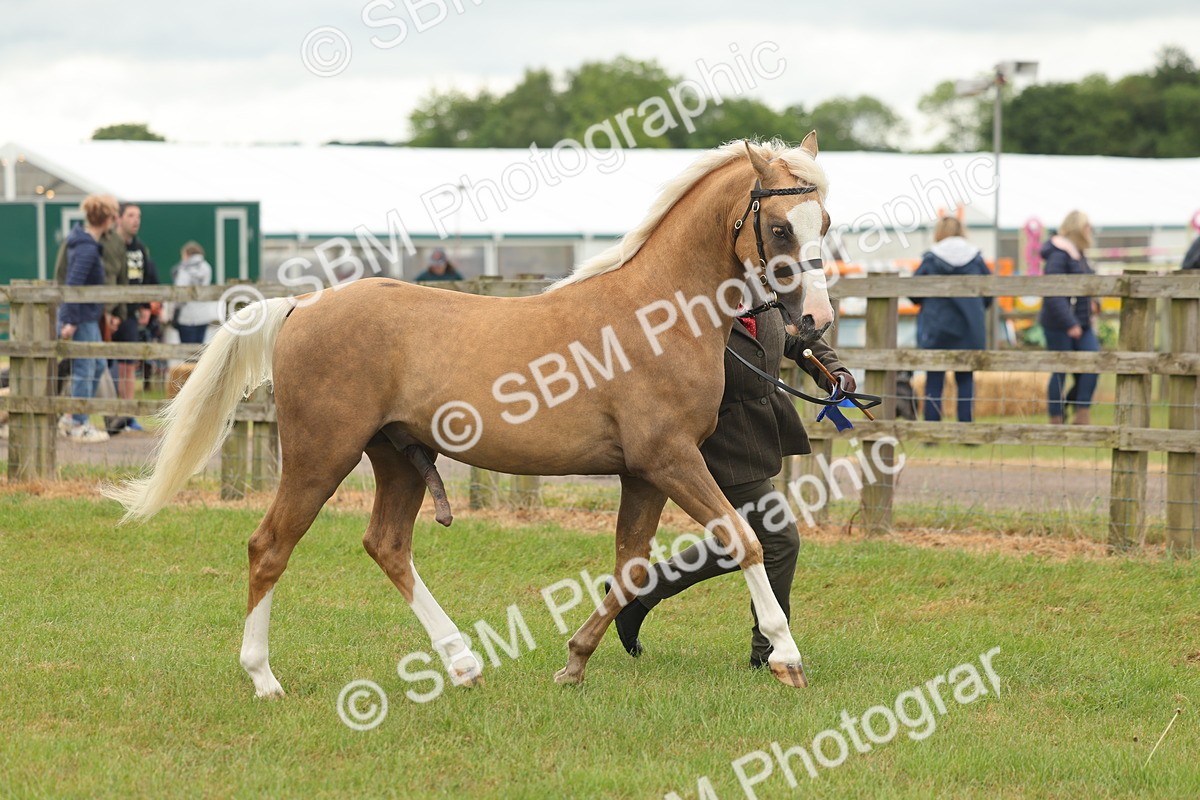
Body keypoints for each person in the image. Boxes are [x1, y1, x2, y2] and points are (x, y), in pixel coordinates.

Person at [607, 306, 855, 669]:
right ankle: (767, 649)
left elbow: (791, 337)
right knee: (779, 538)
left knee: (749, 537)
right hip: (717, 435)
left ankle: (642, 590)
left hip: (759, 428)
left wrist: (834, 372)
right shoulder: (692, 303)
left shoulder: (761, 293)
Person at [912, 216, 991, 424]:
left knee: (934, 380)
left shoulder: (931, 258)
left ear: (939, 232)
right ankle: (964, 428)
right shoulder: (976, 259)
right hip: (969, 328)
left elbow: (913, 293)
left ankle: (932, 430)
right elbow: (989, 294)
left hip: (937, 327)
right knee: (965, 379)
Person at [58, 195, 118, 443]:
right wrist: (70, 320)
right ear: (107, 219)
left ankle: (72, 417)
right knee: (85, 368)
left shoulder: (85, 243)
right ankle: (77, 423)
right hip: (81, 318)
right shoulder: (86, 248)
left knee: (97, 367)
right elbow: (74, 284)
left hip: (88, 317)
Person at [1039, 210, 1099, 425]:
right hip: (1059, 324)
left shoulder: (1078, 254)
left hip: (1082, 322)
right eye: (1087, 226)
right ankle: (1056, 417)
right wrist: (1069, 323)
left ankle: (1081, 412)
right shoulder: (1059, 254)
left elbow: (1087, 286)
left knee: (1093, 363)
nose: (1090, 230)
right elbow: (1054, 292)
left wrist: (1094, 305)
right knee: (1060, 369)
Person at [109, 203, 158, 432]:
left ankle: (128, 417)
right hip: (109, 314)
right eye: (130, 215)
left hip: (130, 315)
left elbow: (149, 277)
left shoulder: (140, 249)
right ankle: (113, 415)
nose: (136, 220)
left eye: (138, 216)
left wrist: (147, 305)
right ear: (119, 218)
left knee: (129, 365)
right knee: (105, 365)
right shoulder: (109, 245)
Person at [172, 242, 221, 344]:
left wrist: (175, 311)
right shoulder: (207, 267)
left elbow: (180, 294)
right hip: (203, 316)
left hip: (186, 316)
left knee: (187, 353)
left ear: (187, 254)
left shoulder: (184, 269)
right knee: (198, 351)